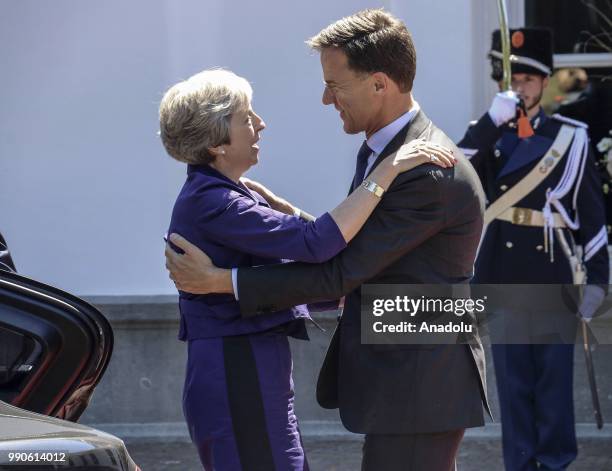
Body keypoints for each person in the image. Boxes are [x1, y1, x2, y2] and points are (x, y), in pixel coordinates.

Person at [166, 10, 490, 471]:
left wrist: (224, 282)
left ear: (379, 84)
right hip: (405, 375)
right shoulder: (390, 153)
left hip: (421, 379)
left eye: (335, 85)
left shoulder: (425, 169)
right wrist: (293, 217)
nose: (325, 98)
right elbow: (355, 251)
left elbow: (341, 272)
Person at [458, 28, 609, 470]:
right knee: (514, 384)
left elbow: (591, 213)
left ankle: (556, 462)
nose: (520, 86)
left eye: (528, 79)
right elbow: (450, 180)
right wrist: (489, 123)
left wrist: (598, 280)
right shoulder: (486, 134)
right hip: (502, 273)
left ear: (545, 83)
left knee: (553, 384)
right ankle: (521, 464)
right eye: (513, 78)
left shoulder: (571, 137)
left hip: (552, 274)